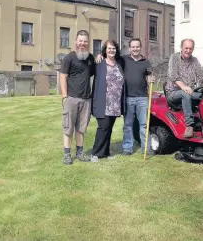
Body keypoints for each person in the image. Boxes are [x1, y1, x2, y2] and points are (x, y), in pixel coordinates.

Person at [95, 38, 155, 155]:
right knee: (128, 125)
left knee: (143, 124)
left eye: (137, 47)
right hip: (127, 97)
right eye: (133, 47)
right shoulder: (123, 60)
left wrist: (151, 79)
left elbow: (149, 76)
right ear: (129, 48)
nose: (135, 49)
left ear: (140, 47)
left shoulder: (146, 62)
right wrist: (99, 55)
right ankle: (127, 148)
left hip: (142, 97)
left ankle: (146, 148)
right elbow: (110, 55)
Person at [167, 39, 203, 138]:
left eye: (190, 48)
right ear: (181, 48)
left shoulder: (194, 60)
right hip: (174, 92)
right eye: (186, 48)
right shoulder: (174, 58)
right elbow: (173, 76)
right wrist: (183, 86)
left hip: (190, 91)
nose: (188, 50)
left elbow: (202, 75)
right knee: (184, 94)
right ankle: (189, 126)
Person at [60, 30, 95, 165]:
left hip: (86, 99)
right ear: (76, 41)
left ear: (88, 43)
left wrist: (99, 58)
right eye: (80, 41)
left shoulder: (90, 58)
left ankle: (80, 153)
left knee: (81, 129)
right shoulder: (69, 58)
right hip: (71, 98)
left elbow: (93, 73)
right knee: (68, 128)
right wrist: (64, 96)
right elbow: (63, 76)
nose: (83, 44)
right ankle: (67, 155)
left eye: (85, 41)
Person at [91, 40, 126, 162]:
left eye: (114, 48)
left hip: (115, 103)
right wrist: (97, 56)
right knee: (103, 127)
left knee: (109, 128)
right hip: (103, 102)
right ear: (105, 50)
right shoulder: (99, 63)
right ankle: (96, 153)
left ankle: (105, 152)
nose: (111, 50)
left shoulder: (119, 63)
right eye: (109, 48)